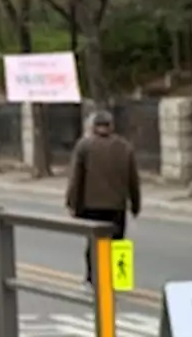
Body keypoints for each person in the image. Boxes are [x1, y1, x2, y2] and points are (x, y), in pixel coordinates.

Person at [65, 109, 141, 285]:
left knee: (94, 244)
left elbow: (76, 178)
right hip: (117, 206)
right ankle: (120, 279)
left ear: (93, 127)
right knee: (118, 243)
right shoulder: (125, 147)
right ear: (111, 126)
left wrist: (72, 203)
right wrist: (135, 204)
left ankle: (93, 278)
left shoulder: (84, 146)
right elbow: (133, 180)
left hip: (91, 206)